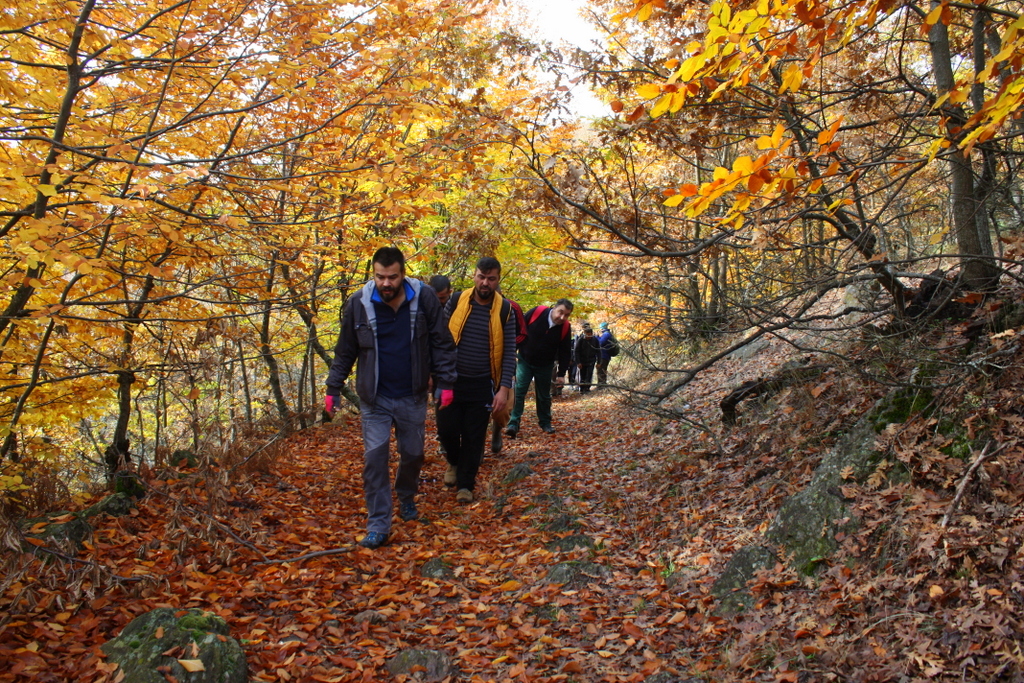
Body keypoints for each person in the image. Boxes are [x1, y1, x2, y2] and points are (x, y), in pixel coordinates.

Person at [325, 247, 457, 549]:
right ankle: (378, 524)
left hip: (412, 394)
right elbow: (345, 350)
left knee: (413, 454)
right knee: (375, 458)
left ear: (403, 274)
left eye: (392, 277)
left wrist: (446, 382)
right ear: (374, 274)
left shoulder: (423, 298)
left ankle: (407, 496)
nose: (386, 283)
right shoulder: (358, 302)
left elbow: (441, 342)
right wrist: (333, 388)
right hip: (375, 397)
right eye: (380, 277)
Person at [437, 257, 517, 503]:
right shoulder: (455, 300)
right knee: (447, 430)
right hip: (450, 381)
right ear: (474, 276)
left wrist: (503, 389)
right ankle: (453, 461)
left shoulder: (505, 310)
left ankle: (466, 485)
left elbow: (509, 351)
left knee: (474, 437)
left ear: (497, 280)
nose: (485, 283)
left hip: (482, 383)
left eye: (491, 279)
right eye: (481, 277)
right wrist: (434, 375)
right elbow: (439, 336)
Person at [505, 299, 574, 437]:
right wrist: (511, 351)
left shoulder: (565, 327)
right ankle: (513, 423)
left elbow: (565, 351)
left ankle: (545, 423)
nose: (562, 317)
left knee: (543, 396)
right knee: (519, 392)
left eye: (566, 315)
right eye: (560, 312)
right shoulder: (537, 312)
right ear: (554, 308)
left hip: (545, 365)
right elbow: (520, 330)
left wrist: (561, 373)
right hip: (525, 360)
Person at [489, 293, 526, 455]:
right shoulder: (471, 307)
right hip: (479, 366)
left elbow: (523, 333)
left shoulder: (512, 308)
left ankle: (497, 430)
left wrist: (507, 345)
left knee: (503, 406)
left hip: (506, 363)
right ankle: (476, 447)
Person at [574, 322, 601, 392]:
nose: (588, 337)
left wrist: (599, 362)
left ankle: (587, 388)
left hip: (591, 360)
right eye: (587, 335)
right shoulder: (580, 340)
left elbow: (598, 351)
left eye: (590, 335)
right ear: (584, 334)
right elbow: (576, 351)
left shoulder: (595, 340)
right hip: (582, 361)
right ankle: (582, 389)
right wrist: (578, 362)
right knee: (582, 375)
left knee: (589, 375)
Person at [596, 321, 615, 387]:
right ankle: (601, 384)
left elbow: (600, 343)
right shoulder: (606, 334)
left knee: (601, 370)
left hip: (604, 355)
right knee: (601, 370)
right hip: (604, 355)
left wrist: (597, 337)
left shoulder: (606, 334)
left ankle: (601, 385)